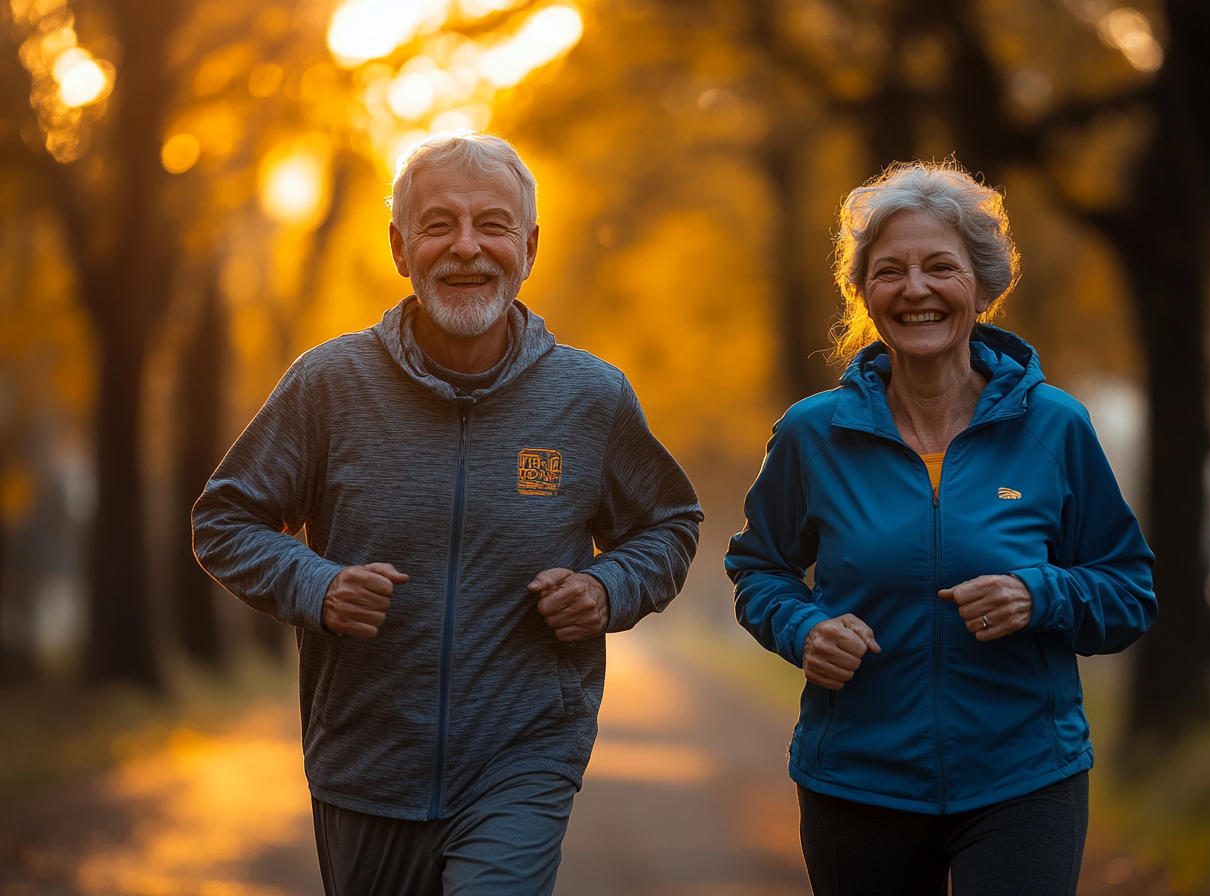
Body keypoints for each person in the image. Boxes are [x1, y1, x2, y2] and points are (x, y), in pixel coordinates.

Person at [192, 131, 702, 895]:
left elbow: (670, 523)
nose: (467, 248)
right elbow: (223, 520)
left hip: (525, 754)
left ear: (528, 247)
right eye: (439, 225)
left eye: (492, 225)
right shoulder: (330, 384)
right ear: (401, 247)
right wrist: (317, 586)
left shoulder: (591, 398)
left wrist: (606, 589)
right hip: (364, 759)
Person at [724, 161, 1156, 896]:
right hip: (858, 781)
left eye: (939, 268)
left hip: (1024, 778)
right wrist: (802, 629)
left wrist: (1040, 594)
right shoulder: (812, 434)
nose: (915, 289)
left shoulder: (1056, 428)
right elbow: (759, 568)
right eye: (889, 270)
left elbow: (1129, 592)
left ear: (984, 288)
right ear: (862, 293)